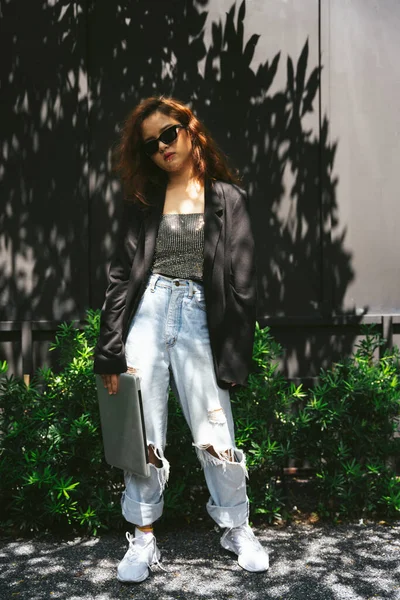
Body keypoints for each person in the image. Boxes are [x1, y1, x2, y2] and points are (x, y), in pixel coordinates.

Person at [93, 96, 269, 583]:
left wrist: (235, 353)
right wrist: (109, 350)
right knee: (142, 430)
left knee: (216, 429)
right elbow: (120, 276)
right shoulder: (143, 201)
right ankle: (143, 536)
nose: (163, 147)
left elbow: (244, 282)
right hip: (148, 311)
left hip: (199, 318)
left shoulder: (227, 198)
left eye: (169, 134)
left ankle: (236, 527)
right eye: (151, 144)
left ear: (190, 130)